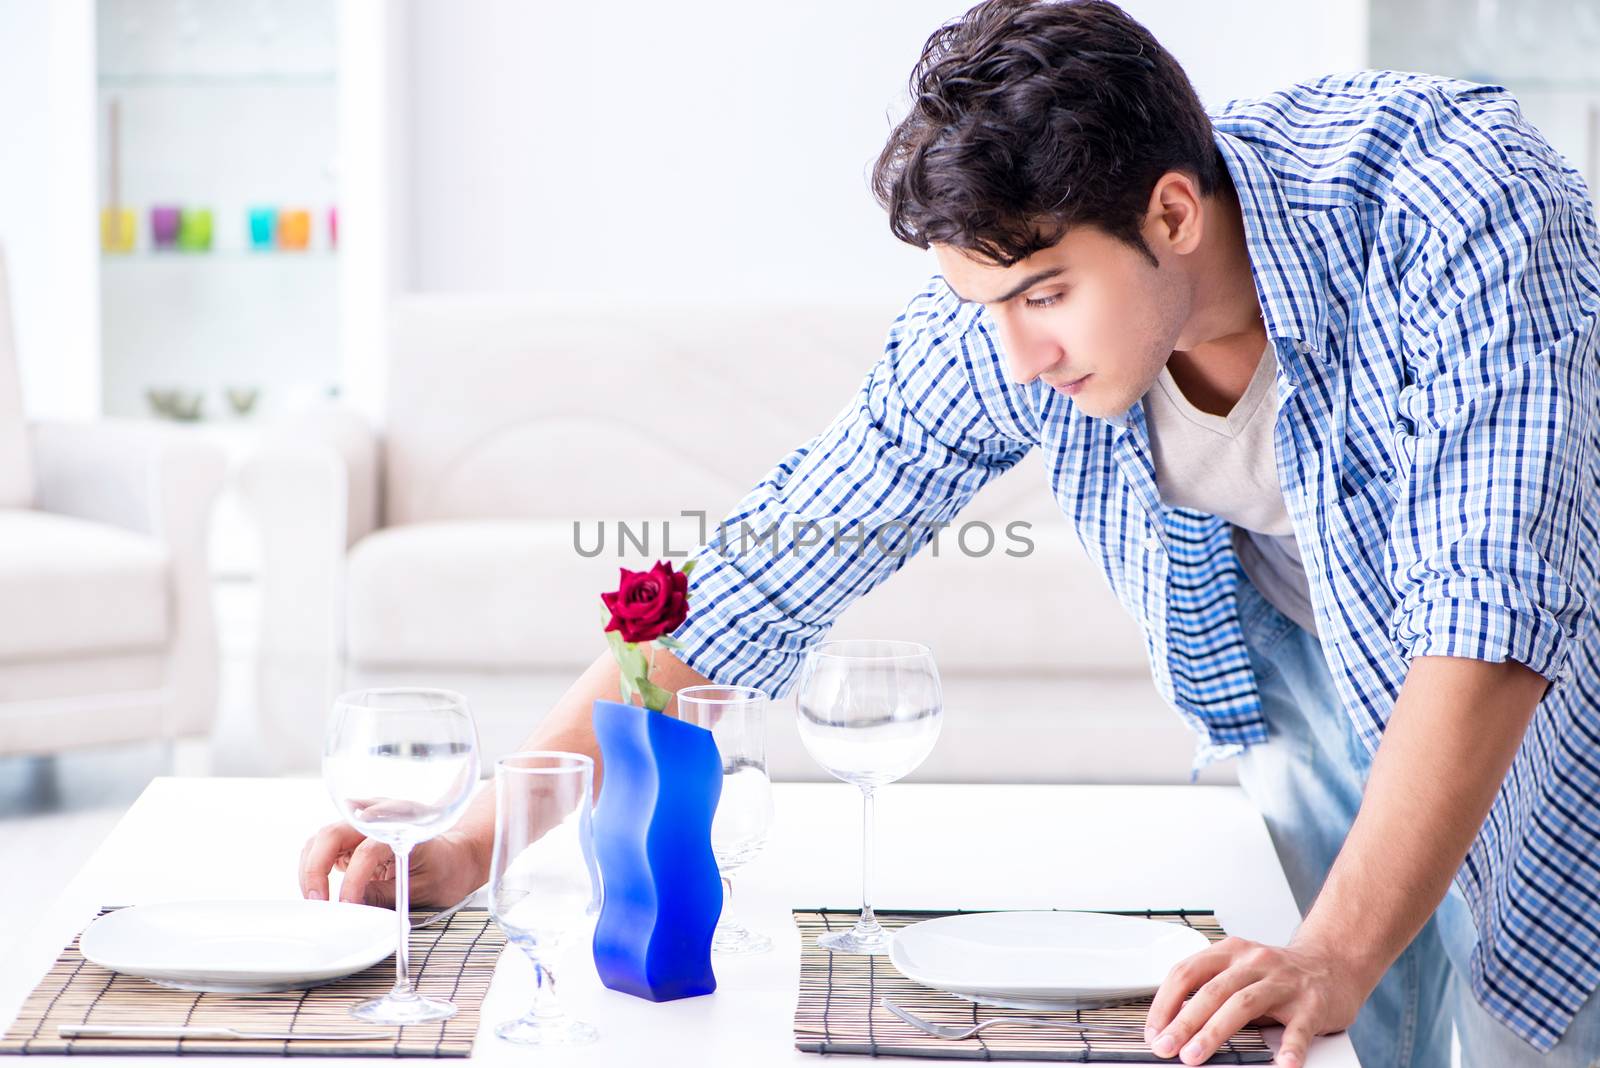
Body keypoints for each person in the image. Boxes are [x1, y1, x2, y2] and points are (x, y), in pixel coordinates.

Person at [301, 1, 1600, 1064]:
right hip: (1302, 682)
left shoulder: (1449, 203)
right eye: (984, 301)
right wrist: (476, 837)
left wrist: (1336, 946)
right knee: (1322, 1033)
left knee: (1515, 1014)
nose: (1018, 354)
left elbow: (1493, 607)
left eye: (1044, 296)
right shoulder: (1012, 308)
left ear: (1171, 214)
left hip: (1544, 682)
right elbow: (773, 564)